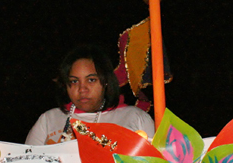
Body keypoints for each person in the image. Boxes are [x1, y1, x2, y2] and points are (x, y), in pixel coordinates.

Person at [25, 45, 155, 145]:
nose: (82, 89)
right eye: (74, 81)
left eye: (91, 80)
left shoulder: (136, 118)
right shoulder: (48, 120)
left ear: (105, 82)